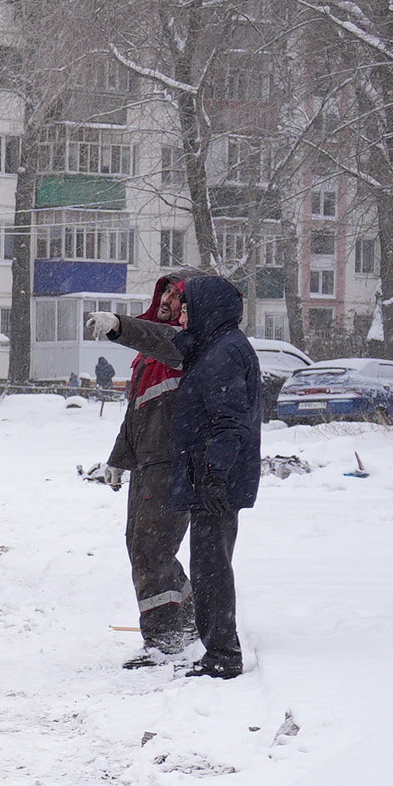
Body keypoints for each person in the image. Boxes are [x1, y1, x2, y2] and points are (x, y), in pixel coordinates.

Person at [163, 272, 261, 677]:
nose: (183, 316)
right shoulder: (213, 347)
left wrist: (214, 475)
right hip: (209, 476)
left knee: (211, 570)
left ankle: (223, 655)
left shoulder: (223, 354)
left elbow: (229, 421)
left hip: (215, 481)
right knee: (208, 567)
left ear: (207, 309)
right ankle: (216, 650)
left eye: (188, 308)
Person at [96, 273, 193, 665]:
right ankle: (189, 620)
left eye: (177, 295)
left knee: (152, 547)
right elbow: (138, 414)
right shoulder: (150, 357)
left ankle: (166, 638)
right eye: (165, 292)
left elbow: (157, 337)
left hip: (172, 461)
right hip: (149, 461)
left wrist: (120, 326)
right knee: (142, 545)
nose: (168, 299)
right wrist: (119, 459)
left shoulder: (184, 345)